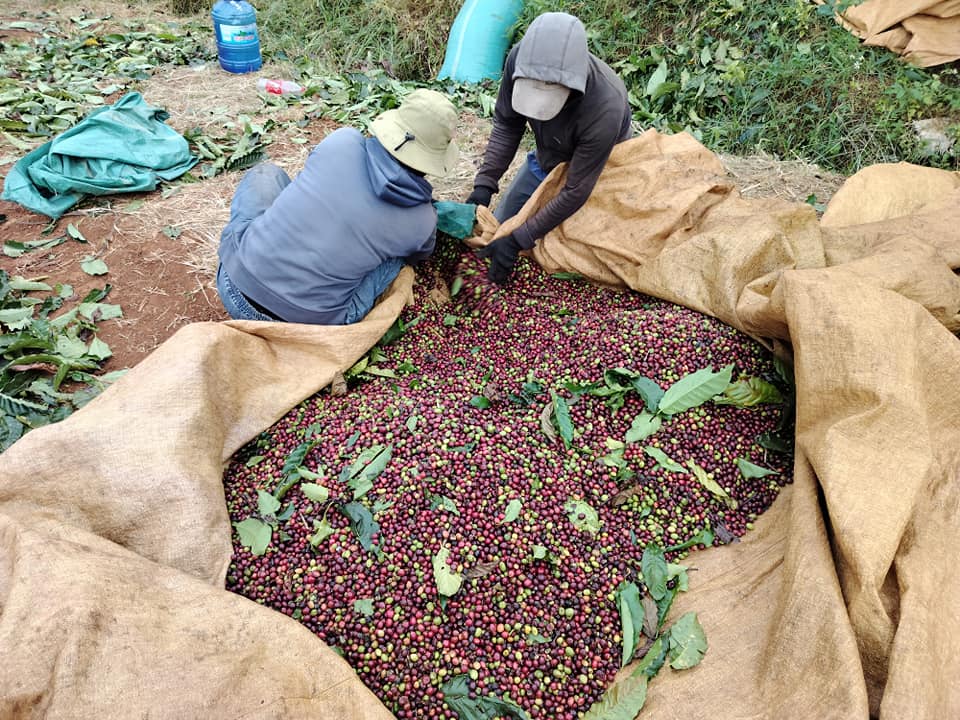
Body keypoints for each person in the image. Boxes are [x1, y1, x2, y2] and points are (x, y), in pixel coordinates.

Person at [216, 88, 459, 324]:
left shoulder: (342, 141)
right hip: (306, 324)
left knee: (266, 174)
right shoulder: (423, 221)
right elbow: (421, 255)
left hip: (234, 286)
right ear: (433, 159)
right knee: (397, 259)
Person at [467, 12, 633, 285]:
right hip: (547, 155)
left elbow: (576, 189)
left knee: (580, 250)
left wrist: (520, 238)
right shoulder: (518, 60)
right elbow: (508, 125)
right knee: (498, 230)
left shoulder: (605, 104)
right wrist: (484, 186)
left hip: (599, 168)